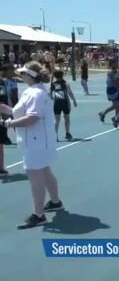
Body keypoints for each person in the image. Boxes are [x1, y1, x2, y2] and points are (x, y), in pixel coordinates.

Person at [0, 62, 63, 229]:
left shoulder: (36, 93)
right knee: (44, 169)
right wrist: (5, 110)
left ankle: (38, 214)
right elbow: (18, 111)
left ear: (30, 75)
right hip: (37, 140)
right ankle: (56, 202)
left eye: (23, 74)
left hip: (37, 141)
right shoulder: (31, 91)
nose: (21, 76)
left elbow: (32, 117)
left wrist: (8, 124)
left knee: (34, 174)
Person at [50, 69, 77, 141]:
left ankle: (55, 135)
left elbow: (50, 95)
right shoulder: (65, 83)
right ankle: (67, 133)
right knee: (67, 117)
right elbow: (69, 92)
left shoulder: (53, 84)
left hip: (56, 103)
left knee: (57, 120)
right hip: (65, 102)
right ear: (62, 75)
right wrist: (74, 100)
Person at [98, 60, 119, 124]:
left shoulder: (116, 71)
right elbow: (114, 81)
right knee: (115, 105)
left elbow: (118, 82)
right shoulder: (110, 72)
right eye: (115, 63)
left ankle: (117, 118)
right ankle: (103, 113)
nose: (116, 64)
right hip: (111, 89)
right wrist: (118, 74)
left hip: (116, 88)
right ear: (112, 65)